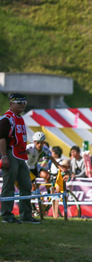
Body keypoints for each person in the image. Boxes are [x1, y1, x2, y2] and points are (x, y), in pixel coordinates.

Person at [0, 94, 40, 224]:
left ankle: (26, 215)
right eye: (19, 102)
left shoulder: (20, 119)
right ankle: (6, 215)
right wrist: (4, 157)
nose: (22, 104)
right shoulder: (7, 119)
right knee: (9, 185)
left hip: (21, 155)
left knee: (26, 185)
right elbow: (1, 139)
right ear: (11, 103)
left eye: (24, 102)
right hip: (10, 154)